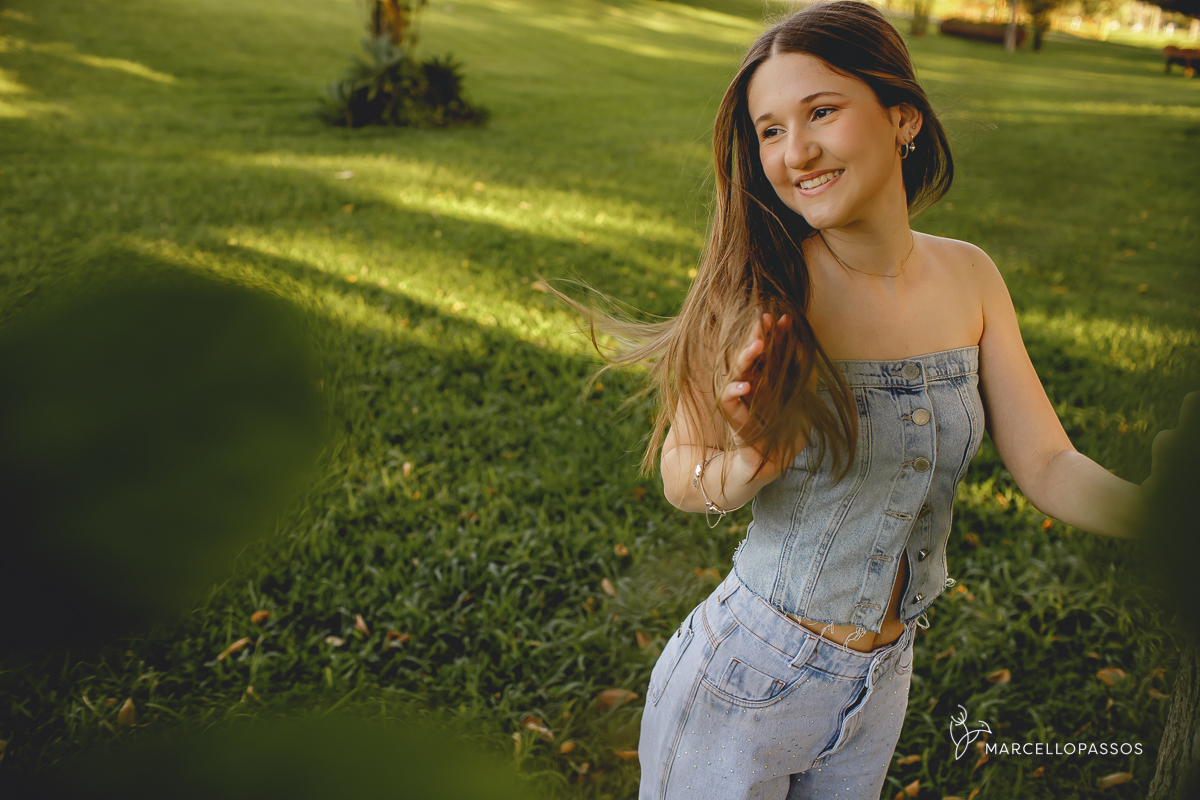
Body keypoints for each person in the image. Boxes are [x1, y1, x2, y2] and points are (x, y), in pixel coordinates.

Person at [555, 2, 1160, 798]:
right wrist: (752, 459)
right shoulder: (765, 292)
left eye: (822, 112)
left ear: (903, 116)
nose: (796, 151)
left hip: (880, 686)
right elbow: (682, 472)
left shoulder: (971, 277)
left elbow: (1047, 461)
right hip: (743, 686)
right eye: (771, 130)